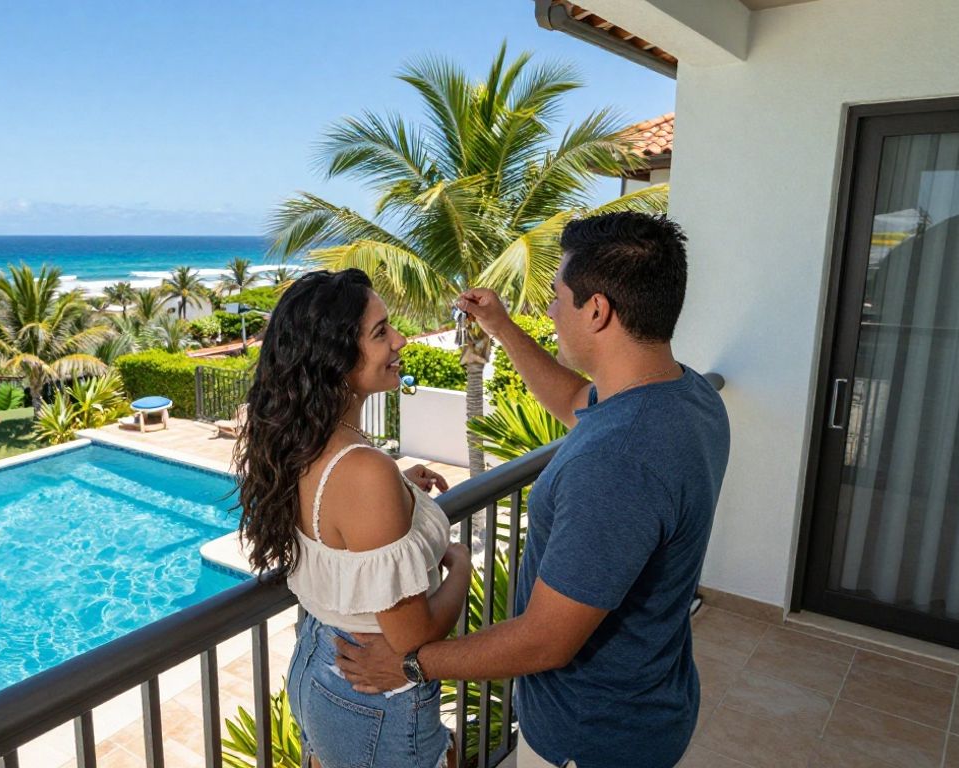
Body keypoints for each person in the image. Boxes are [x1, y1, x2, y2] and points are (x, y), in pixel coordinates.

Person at [333, 212, 731, 768]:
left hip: (590, 737)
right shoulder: (685, 394)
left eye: (558, 296)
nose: (549, 310)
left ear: (597, 310)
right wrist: (499, 326)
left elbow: (547, 639)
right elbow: (577, 404)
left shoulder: (619, 462)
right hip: (650, 703)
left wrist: (409, 665)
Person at [234, 268, 471, 768]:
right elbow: (414, 640)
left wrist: (401, 488)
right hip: (375, 689)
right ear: (334, 357)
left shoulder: (305, 442)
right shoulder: (363, 473)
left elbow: (337, 524)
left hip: (320, 663)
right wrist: (464, 566)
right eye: (381, 332)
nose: (401, 340)